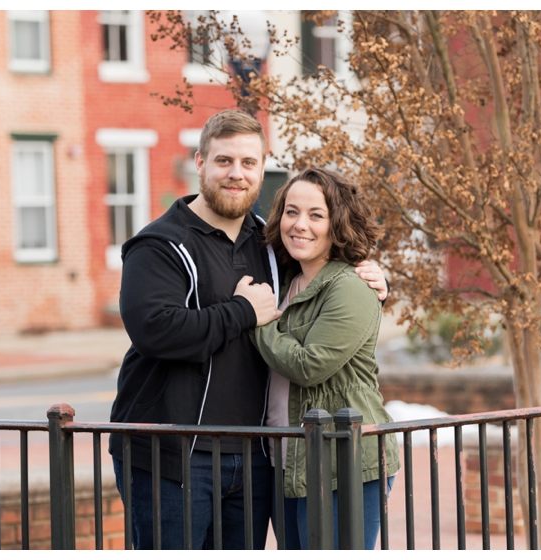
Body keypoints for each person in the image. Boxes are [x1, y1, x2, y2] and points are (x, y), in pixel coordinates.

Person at [108, 110, 387, 549]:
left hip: (255, 457)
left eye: (248, 163)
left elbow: (327, 266)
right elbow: (154, 330)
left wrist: (372, 276)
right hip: (173, 455)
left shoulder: (271, 243)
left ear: (261, 169)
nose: (236, 174)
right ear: (199, 163)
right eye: (224, 161)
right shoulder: (159, 245)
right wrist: (242, 311)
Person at [251, 167, 401, 550]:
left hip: (342, 462)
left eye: (316, 215)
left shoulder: (350, 286)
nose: (300, 225)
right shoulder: (286, 278)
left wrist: (254, 320)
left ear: (338, 224)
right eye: (291, 211)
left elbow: (309, 366)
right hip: (290, 458)